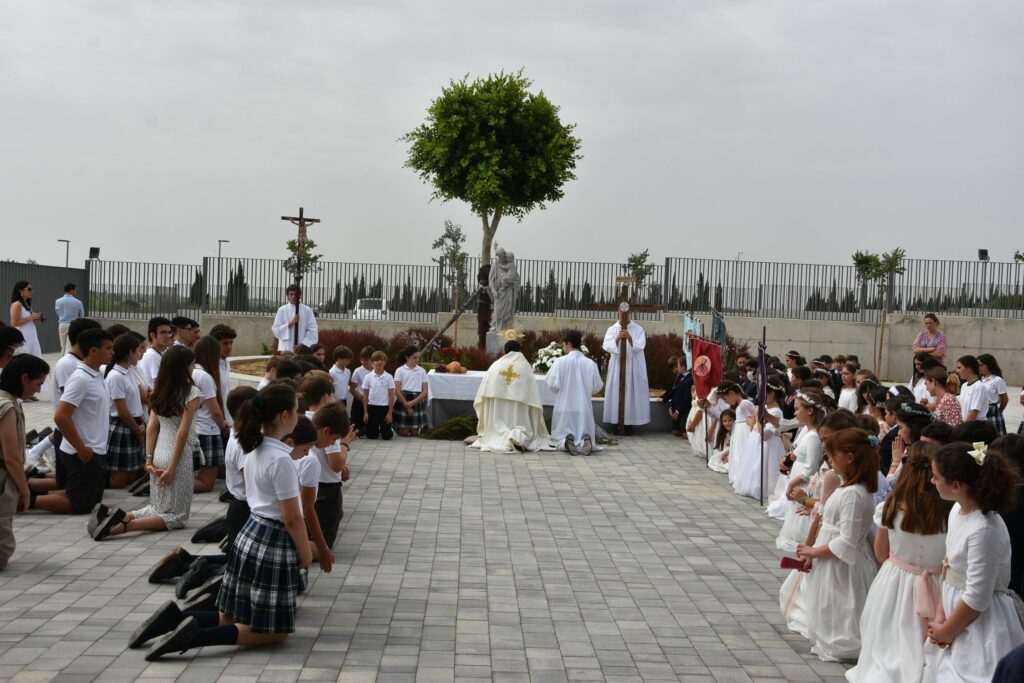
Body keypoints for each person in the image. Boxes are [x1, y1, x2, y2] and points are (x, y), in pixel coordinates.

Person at [129, 382, 310, 661]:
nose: (299, 416)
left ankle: (174, 619)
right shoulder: (282, 459)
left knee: (231, 614)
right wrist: (305, 553)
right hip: (273, 538)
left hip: (250, 532)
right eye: (297, 411)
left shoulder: (253, 448)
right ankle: (194, 635)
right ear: (284, 416)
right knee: (274, 632)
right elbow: (292, 516)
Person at [846, 441, 951, 682]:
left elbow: (880, 553)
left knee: (890, 637)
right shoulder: (951, 510)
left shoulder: (891, 507)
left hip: (895, 582)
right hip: (940, 583)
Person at [926, 441, 1024, 682]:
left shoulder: (984, 528)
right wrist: (940, 615)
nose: (931, 481)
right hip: (954, 615)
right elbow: (949, 568)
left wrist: (947, 632)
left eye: (936, 477)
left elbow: (978, 597)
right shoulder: (957, 511)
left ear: (956, 486)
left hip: (983, 625)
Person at [90, 345, 202, 541]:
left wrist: (148, 459)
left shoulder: (160, 389)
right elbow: (182, 434)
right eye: (192, 364)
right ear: (184, 366)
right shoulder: (191, 392)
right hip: (179, 455)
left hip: (159, 451)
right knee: (177, 516)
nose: (194, 367)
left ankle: (115, 516)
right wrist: (172, 468)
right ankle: (122, 527)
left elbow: (152, 427)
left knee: (158, 506)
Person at [797, 428, 879, 662]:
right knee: (830, 603)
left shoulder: (853, 494)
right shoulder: (846, 488)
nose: (830, 461)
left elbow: (847, 539)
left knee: (843, 605)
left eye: (833, 456)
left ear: (849, 458)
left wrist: (814, 550)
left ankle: (843, 644)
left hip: (843, 565)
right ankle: (830, 637)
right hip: (831, 558)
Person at [34, 329, 113, 514]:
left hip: (95, 448)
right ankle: (24, 500)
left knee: (90, 499)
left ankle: (27, 494)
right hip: (83, 450)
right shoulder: (80, 379)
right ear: (93, 351)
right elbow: (61, 416)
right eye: (108, 348)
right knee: (80, 504)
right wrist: (82, 449)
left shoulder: (97, 374)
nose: (112, 352)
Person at [0, 354, 49, 569]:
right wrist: (25, 491)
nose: (38, 390)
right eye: (38, 384)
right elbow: (11, 458)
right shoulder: (7, 407)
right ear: (24, 378)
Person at [470, 340, 552, 453]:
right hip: (518, 409)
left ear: (505, 351)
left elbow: (484, 391)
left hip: (497, 408)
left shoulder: (496, 365)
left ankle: (501, 435)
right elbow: (533, 396)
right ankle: (518, 437)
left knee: (497, 427)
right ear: (519, 350)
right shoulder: (525, 367)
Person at [772, 389, 827, 550]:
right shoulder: (806, 432)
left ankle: (803, 539)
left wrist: (791, 484)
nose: (795, 413)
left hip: (803, 482)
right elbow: (796, 453)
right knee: (793, 510)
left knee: (800, 511)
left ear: (810, 410)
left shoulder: (814, 437)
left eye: (797, 409)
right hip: (796, 477)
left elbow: (810, 467)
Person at [546, 331, 603, 455]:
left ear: (568, 344)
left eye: (563, 344)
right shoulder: (590, 363)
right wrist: (586, 391)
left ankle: (566, 442)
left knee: (560, 436)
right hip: (583, 408)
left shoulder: (559, 362)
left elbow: (551, 383)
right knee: (582, 430)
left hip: (564, 406)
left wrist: (560, 391)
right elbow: (598, 385)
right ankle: (584, 441)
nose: (563, 347)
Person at [104, 333, 147, 488]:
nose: (140, 354)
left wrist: (141, 423)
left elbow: (136, 402)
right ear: (129, 352)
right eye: (138, 350)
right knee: (119, 480)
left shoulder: (129, 372)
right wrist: (137, 429)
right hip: (123, 426)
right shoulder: (116, 376)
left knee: (131, 476)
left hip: (134, 424)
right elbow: (122, 410)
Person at [733, 380, 786, 500]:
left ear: (772, 394)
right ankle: (751, 485)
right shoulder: (765, 408)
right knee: (754, 463)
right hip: (755, 440)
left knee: (762, 465)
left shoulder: (776, 412)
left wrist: (758, 418)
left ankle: (762, 488)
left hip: (767, 444)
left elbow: (766, 434)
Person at [601, 311, 650, 434]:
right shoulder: (612, 329)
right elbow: (606, 346)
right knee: (617, 391)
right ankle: (617, 422)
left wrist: (629, 337)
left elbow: (640, 346)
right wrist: (617, 338)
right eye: (621, 313)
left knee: (631, 394)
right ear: (617, 312)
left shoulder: (638, 329)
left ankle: (629, 423)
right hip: (618, 366)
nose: (623, 316)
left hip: (633, 367)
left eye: (626, 314)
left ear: (630, 313)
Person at [192, 336, 230, 493]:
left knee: (220, 471)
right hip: (207, 430)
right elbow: (214, 409)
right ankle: (168, 486)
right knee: (206, 483)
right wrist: (224, 425)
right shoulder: (205, 376)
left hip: (196, 427)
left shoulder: (193, 371)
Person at [393, 345, 429, 437]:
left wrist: (413, 402)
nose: (417, 360)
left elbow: (425, 391)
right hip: (403, 400)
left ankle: (416, 429)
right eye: (414, 358)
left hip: (417, 400)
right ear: (407, 357)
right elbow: (397, 390)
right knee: (404, 433)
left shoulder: (422, 371)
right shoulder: (399, 370)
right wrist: (407, 405)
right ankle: (397, 427)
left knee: (414, 434)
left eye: (418, 357)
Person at [272, 284, 318, 352]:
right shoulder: (282, 310)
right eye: (291, 294)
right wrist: (290, 323)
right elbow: (276, 330)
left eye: (296, 294)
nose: (293, 296)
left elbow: (313, 330)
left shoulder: (307, 310)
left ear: (300, 295)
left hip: (302, 349)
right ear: (288, 296)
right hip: (286, 348)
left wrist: (303, 345)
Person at [360, 351, 395, 441]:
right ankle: (375, 429)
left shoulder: (389, 377)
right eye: (377, 360)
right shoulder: (368, 377)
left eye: (382, 360)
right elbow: (365, 395)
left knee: (387, 437)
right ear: (372, 362)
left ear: (385, 362)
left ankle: (385, 429)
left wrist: (390, 413)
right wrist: (365, 412)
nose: (380, 362)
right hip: (372, 408)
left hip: (384, 408)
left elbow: (391, 396)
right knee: (372, 436)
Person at [209, 324, 237, 427]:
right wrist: (222, 423)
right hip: (214, 425)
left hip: (227, 421)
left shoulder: (226, 364)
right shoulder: (210, 367)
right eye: (225, 343)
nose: (229, 347)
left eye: (231, 342)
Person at [9, 281, 42, 361]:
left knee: (35, 362)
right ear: (21, 291)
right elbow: (13, 323)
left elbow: (27, 320)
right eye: (29, 289)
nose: (31, 291)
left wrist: (36, 317)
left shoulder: (26, 304)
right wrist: (30, 318)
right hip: (23, 338)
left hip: (31, 338)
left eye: (32, 289)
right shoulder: (17, 304)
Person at [138, 317, 173, 391]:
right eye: (163, 332)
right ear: (152, 335)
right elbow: (159, 383)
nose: (167, 336)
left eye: (169, 332)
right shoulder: (152, 355)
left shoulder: (160, 352)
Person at [978, 354, 1009, 437]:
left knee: (994, 436)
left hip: (992, 411)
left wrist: (999, 411)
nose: (979, 367)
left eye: (981, 365)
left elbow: (1004, 399)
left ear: (989, 365)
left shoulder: (997, 380)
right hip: (981, 410)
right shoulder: (981, 379)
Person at [664, 357, 693, 437]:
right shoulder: (679, 377)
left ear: (683, 367)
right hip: (676, 408)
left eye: (678, 366)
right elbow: (674, 393)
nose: (677, 368)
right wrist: (671, 408)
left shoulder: (690, 379)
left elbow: (687, 399)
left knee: (685, 435)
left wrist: (677, 411)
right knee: (675, 432)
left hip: (683, 410)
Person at [955, 355, 988, 424]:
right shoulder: (964, 386)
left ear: (969, 368)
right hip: (965, 425)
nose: (957, 371)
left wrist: (963, 430)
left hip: (974, 428)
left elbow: (973, 413)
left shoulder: (979, 387)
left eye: (959, 368)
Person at [54, 283, 84, 356]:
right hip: (74, 325)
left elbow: (58, 312)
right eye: (74, 290)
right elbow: (82, 315)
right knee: (70, 346)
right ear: (71, 290)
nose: (75, 292)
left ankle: (62, 361)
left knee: (63, 346)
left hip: (62, 324)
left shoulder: (58, 301)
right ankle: (68, 361)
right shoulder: (78, 302)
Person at [349, 346, 374, 436]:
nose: (364, 362)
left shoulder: (377, 371)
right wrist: (360, 398)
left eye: (366, 360)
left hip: (372, 402)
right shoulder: (358, 371)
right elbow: (352, 388)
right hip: (359, 400)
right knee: (357, 428)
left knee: (369, 429)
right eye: (362, 359)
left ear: (372, 359)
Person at [708, 409, 734, 474]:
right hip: (728, 451)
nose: (727, 423)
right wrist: (725, 455)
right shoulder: (724, 433)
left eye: (730, 420)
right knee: (715, 459)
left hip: (735, 452)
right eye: (724, 421)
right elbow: (725, 447)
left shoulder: (737, 432)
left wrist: (728, 456)